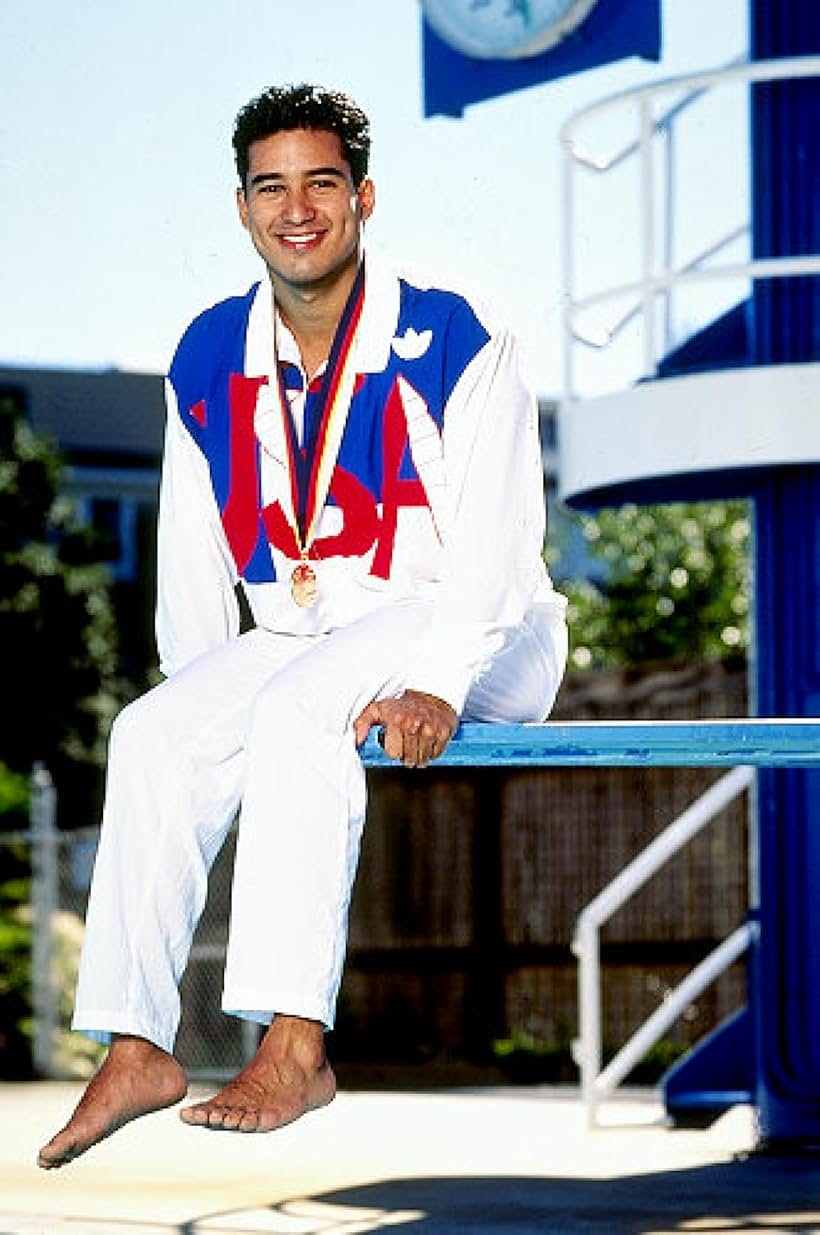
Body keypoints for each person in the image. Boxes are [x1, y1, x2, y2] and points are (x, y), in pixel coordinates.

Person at [38, 83, 567, 1169]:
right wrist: (198, 713)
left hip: (479, 628)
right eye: (270, 185)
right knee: (149, 730)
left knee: (292, 714)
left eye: (320, 181)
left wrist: (440, 680)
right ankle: (138, 1040)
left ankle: (295, 1041)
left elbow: (500, 547)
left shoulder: (456, 332)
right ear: (241, 208)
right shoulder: (206, 355)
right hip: (309, 637)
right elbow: (193, 567)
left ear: (362, 196)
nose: (297, 207)